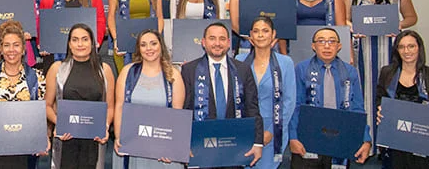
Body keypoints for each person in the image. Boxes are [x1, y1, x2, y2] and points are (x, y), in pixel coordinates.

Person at [345, 0, 417, 148]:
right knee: (364, 97)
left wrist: (398, 25)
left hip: (390, 52)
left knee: (390, 96)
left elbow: (412, 17)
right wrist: (351, 26)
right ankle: (366, 145)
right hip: (362, 54)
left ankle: (390, 145)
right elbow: (344, 19)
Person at [181, 22, 264, 167]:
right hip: (200, 148)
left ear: (228, 43)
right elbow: (184, 110)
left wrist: (257, 142)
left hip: (234, 148)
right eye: (212, 38)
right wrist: (182, 143)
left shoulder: (243, 70)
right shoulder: (189, 70)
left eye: (222, 39)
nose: (217, 43)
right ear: (203, 42)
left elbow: (252, 108)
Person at [289, 27, 371, 167]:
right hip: (308, 139)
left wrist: (365, 139)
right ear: (313, 46)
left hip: (340, 138)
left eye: (332, 41)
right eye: (321, 41)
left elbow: (357, 108)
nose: (327, 45)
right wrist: (293, 137)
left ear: (339, 46)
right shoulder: (301, 69)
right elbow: (295, 106)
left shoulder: (350, 72)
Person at [45, 24, 115, 169]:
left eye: (85, 39)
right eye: (75, 40)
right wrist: (59, 123)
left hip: (94, 139)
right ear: (69, 44)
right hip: (66, 138)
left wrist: (105, 127)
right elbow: (47, 105)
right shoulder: (57, 69)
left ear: (93, 43)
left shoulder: (105, 70)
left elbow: (110, 107)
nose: (80, 44)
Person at [0, 20, 48, 167]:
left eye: (16, 45)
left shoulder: (38, 77)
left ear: (23, 49)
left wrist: (44, 138)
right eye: (7, 45)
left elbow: (42, 113)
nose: (12, 50)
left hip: (26, 148)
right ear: (1, 49)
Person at [112, 30, 185, 169]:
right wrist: (118, 136)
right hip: (134, 145)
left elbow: (177, 114)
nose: (149, 48)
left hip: (163, 148)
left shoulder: (173, 74)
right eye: (143, 45)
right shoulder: (128, 71)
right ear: (139, 49)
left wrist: (173, 147)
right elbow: (120, 107)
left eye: (153, 44)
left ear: (161, 46)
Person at [235, 17, 296, 169]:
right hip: (246, 128)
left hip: (274, 127)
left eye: (265, 31)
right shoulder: (239, 60)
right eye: (256, 31)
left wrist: (272, 130)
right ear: (250, 37)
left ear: (273, 34)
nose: (260, 35)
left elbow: (289, 102)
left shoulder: (286, 63)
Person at [375, 30, 429, 168]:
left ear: (419, 48)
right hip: (394, 138)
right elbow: (380, 99)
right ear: (397, 50)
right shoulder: (387, 73)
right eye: (401, 47)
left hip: (422, 138)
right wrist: (380, 110)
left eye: (411, 46)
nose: (407, 51)